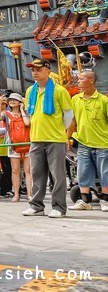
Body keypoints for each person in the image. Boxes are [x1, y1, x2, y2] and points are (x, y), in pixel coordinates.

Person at [21, 59, 74, 218]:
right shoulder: (30, 90)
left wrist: (60, 131)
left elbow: (68, 115)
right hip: (36, 138)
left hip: (55, 139)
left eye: (38, 69)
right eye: (32, 70)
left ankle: (59, 207)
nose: (35, 72)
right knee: (37, 173)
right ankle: (36, 205)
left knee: (57, 175)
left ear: (47, 70)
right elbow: (31, 113)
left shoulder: (59, 90)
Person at [67, 70, 108, 212]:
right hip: (83, 142)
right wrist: (67, 136)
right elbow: (73, 121)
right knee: (83, 172)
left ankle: (105, 200)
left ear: (91, 81)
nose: (78, 81)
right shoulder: (75, 99)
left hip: (103, 143)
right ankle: (85, 201)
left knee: (105, 173)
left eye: (81, 79)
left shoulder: (103, 100)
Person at [3, 93, 32, 202]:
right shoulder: (6, 114)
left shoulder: (27, 114)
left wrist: (22, 110)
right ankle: (16, 194)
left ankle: (30, 194)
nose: (12, 101)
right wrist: (0, 104)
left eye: (15, 100)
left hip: (27, 144)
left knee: (28, 170)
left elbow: (27, 123)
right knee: (15, 170)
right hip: (13, 145)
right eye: (10, 100)